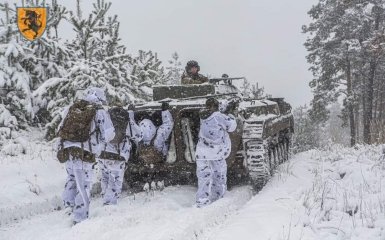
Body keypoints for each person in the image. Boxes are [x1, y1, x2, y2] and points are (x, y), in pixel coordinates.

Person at [57, 87, 115, 224]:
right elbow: (109, 134)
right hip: (84, 153)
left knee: (71, 178)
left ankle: (68, 207)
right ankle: (80, 217)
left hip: (68, 150)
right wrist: (99, 144)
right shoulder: (99, 112)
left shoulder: (73, 108)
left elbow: (59, 128)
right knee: (83, 185)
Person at [194, 98, 237, 207]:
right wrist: (230, 115)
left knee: (203, 176)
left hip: (201, 152)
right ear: (215, 106)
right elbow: (232, 127)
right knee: (219, 174)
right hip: (215, 152)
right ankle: (218, 198)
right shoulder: (218, 117)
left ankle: (202, 200)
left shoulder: (202, 115)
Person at [98, 104, 142, 205]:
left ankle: (104, 198)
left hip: (102, 154)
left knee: (105, 177)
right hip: (118, 155)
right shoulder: (126, 120)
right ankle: (109, 204)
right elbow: (139, 136)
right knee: (115, 181)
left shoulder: (105, 118)